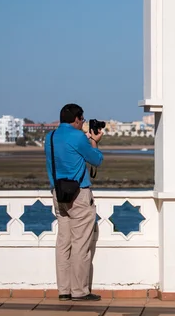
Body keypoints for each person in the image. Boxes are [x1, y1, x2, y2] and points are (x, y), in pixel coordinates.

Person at [45, 103, 104, 301]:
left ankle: (64, 290)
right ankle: (80, 291)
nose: (83, 123)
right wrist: (94, 142)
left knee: (63, 243)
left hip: (58, 194)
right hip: (78, 195)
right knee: (81, 243)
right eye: (83, 120)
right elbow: (96, 160)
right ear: (77, 119)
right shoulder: (78, 136)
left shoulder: (50, 137)